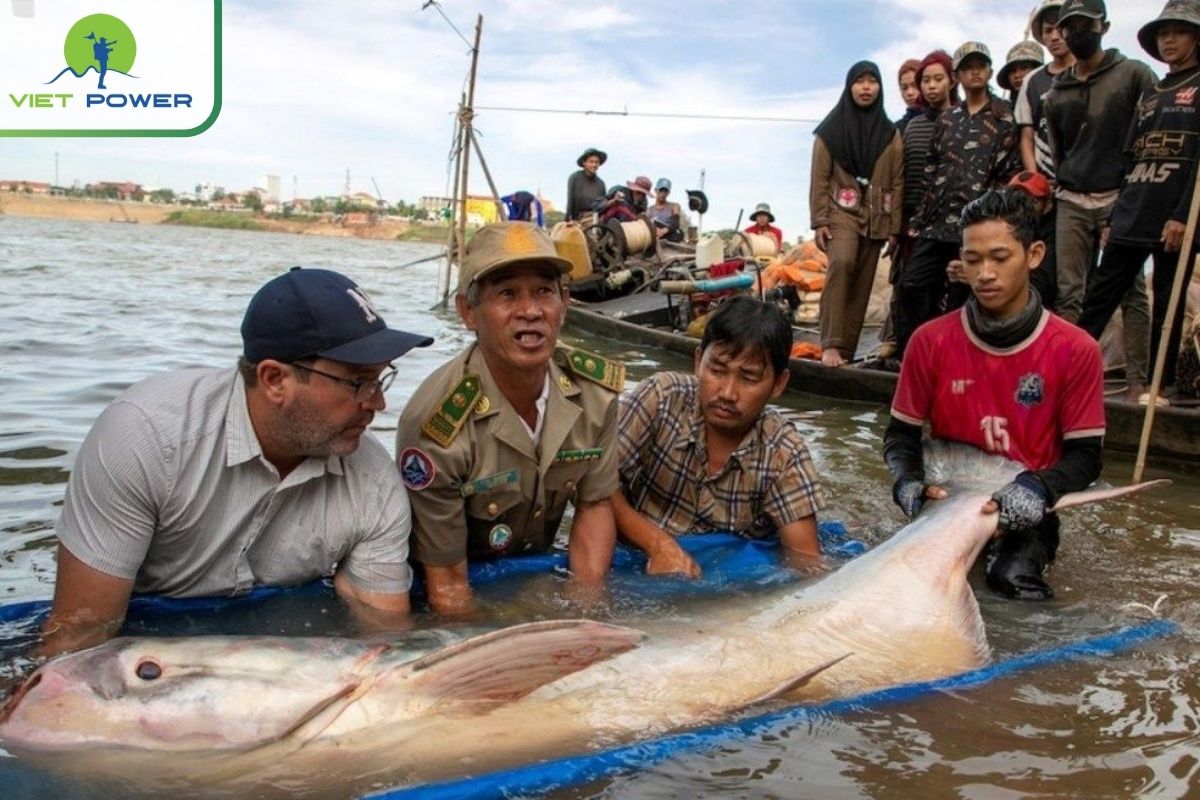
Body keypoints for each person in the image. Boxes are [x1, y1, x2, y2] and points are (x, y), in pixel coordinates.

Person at [40, 268, 434, 657]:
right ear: (275, 380)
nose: (378, 404)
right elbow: (77, 642)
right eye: (357, 382)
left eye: (381, 380)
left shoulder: (375, 481)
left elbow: (384, 643)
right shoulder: (145, 438)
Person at [884, 189, 1104, 601]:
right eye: (972, 260)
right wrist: (907, 483)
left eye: (1000, 258)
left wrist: (1036, 490)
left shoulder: (1077, 350)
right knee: (909, 590)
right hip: (946, 499)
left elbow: (1086, 458)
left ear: (1034, 254)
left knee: (1011, 582)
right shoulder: (928, 341)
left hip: (1026, 504)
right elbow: (900, 436)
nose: (984, 273)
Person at [396, 222, 622, 616]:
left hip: (534, 567)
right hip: (454, 578)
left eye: (544, 292)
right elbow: (448, 584)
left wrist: (584, 610)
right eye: (507, 294)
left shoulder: (594, 393)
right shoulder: (437, 423)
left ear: (564, 303)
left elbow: (595, 505)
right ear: (468, 312)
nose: (530, 311)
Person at [613, 296, 824, 577]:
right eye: (717, 370)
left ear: (778, 384)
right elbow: (593, 483)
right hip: (633, 557)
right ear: (699, 362)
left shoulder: (783, 452)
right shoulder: (661, 398)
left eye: (748, 378)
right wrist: (658, 545)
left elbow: (806, 564)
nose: (727, 393)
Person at [1078, 0, 1200, 406]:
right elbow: (1130, 158)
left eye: (1178, 32)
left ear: (1195, 37)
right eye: (1163, 33)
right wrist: (1114, 215)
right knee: (1099, 293)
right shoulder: (1151, 92)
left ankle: (1158, 388)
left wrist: (1182, 216)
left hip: (1175, 214)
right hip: (1133, 208)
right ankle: (1063, 364)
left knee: (1168, 302)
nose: (1169, 40)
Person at [1043, 0, 1156, 397]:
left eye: (1085, 25)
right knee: (1069, 292)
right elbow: (1058, 151)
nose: (1076, 34)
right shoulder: (1056, 93)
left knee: (1131, 291)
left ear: (1104, 27)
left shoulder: (1135, 76)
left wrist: (1129, 200)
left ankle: (1138, 381)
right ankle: (1073, 379)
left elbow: (1149, 138)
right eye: (1069, 27)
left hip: (1122, 197)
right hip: (1072, 197)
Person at [896, 42, 1021, 360]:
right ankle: (918, 354)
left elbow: (1007, 175)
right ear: (958, 76)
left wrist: (994, 222)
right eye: (967, 67)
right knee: (911, 285)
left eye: (980, 65)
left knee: (962, 298)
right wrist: (918, 219)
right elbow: (930, 170)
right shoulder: (948, 119)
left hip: (976, 227)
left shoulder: (1005, 116)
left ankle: (958, 362)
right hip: (936, 224)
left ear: (990, 71)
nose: (975, 72)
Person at [810, 60, 903, 366]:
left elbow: (897, 181)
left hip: (876, 216)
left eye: (872, 81)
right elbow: (820, 177)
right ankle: (831, 345)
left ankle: (846, 352)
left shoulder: (890, 135)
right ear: (849, 87)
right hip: (840, 211)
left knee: (863, 281)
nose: (866, 87)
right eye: (859, 81)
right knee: (842, 262)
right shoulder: (830, 131)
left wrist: (894, 226)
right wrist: (819, 219)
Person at [878, 50, 960, 364]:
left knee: (950, 290)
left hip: (952, 222)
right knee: (910, 285)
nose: (928, 87)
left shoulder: (963, 120)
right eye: (924, 80)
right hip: (915, 221)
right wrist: (898, 223)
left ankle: (946, 356)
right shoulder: (911, 127)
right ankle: (912, 352)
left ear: (951, 80)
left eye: (937, 79)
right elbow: (902, 177)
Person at [1017, 0, 1074, 178]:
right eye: (1048, 31)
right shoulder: (1032, 81)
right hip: (1046, 181)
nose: (1055, 36)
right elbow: (1027, 136)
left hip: (1084, 180)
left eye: (1061, 28)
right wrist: (1035, 180)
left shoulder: (1089, 71)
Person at [998, 40, 1046, 105]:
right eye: (1012, 70)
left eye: (1024, 68)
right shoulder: (1002, 110)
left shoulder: (1054, 101)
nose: (1017, 75)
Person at [566, 147, 607, 222]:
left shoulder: (601, 184)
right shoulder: (575, 178)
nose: (594, 165)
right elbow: (570, 202)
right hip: (578, 220)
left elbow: (602, 206)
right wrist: (567, 221)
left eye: (596, 162)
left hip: (596, 220)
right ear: (584, 163)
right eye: (591, 162)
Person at [648, 177, 684, 242]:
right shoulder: (649, 210)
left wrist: (664, 231)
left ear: (668, 193)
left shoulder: (674, 206)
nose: (663, 193)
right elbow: (646, 224)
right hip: (654, 238)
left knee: (678, 233)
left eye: (665, 191)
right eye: (661, 190)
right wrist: (655, 230)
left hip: (670, 239)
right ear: (656, 190)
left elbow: (675, 222)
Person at [896, 58, 926, 134]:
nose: (909, 93)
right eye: (904, 88)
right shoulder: (896, 130)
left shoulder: (944, 119)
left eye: (915, 85)